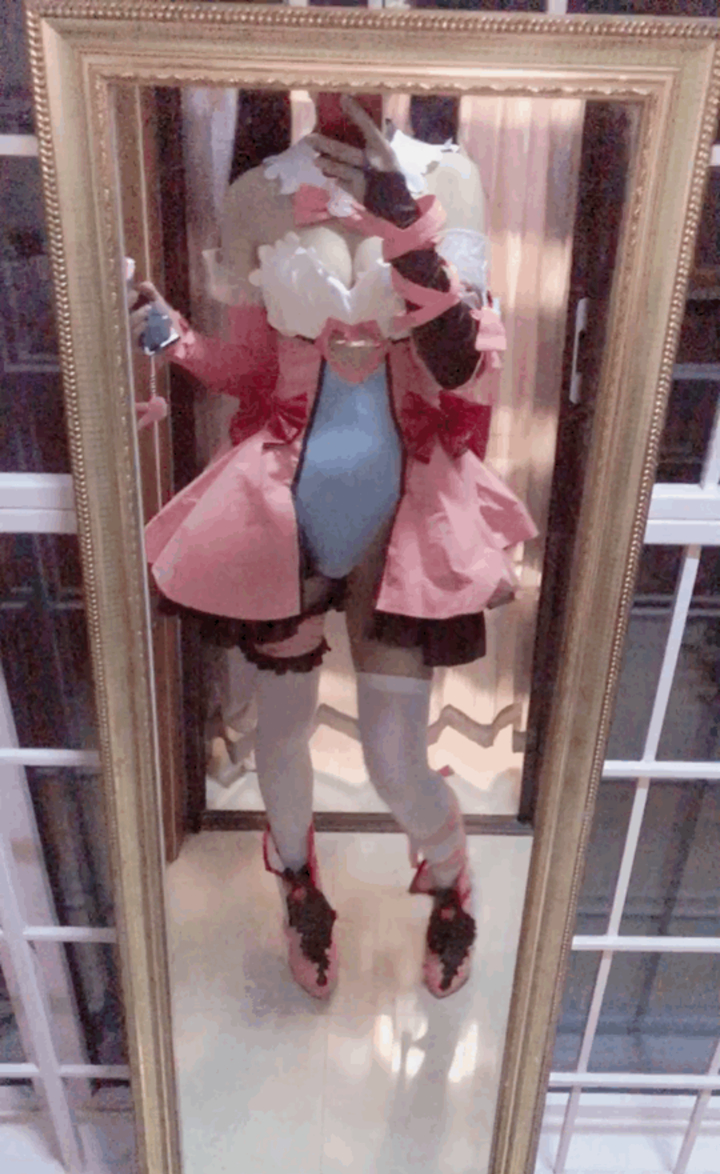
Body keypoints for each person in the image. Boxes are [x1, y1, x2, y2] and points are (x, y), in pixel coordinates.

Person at [130, 94, 537, 1000]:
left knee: (394, 758)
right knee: (281, 737)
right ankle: (299, 890)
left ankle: (451, 877)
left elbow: (465, 369)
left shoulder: (449, 178)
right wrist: (176, 340)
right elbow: (251, 371)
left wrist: (410, 230)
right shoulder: (256, 192)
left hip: (404, 517)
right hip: (283, 513)